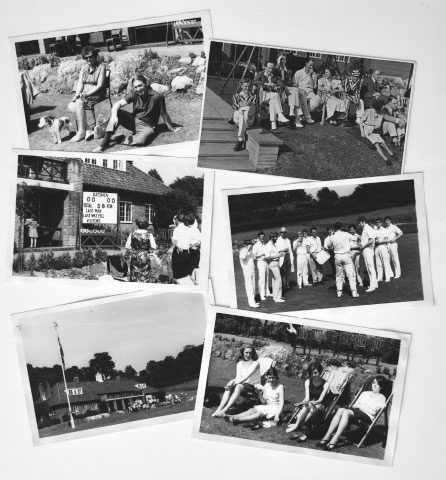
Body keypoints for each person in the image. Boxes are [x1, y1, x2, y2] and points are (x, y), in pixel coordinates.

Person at [94, 74, 181, 152]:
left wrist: (171, 127)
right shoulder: (134, 93)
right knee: (117, 112)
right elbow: (118, 103)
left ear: (146, 84)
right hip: (134, 121)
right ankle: (104, 143)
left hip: (148, 126)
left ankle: (118, 138)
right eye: (135, 87)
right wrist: (114, 116)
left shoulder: (157, 97)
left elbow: (164, 113)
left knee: (141, 141)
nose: (138, 89)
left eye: (140, 86)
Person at [316, 377, 388, 450]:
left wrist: (362, 406)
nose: (374, 385)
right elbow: (355, 405)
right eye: (373, 383)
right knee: (340, 410)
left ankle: (335, 439)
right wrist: (366, 407)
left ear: (381, 386)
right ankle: (326, 436)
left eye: (377, 384)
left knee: (346, 412)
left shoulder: (382, 398)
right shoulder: (364, 393)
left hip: (367, 416)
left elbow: (373, 412)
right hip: (357, 411)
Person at [68, 46, 107, 142]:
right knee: (70, 105)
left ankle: (81, 132)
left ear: (95, 56)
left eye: (90, 57)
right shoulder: (84, 68)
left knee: (78, 104)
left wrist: (87, 94)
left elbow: (100, 86)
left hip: (97, 93)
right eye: (86, 58)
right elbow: (80, 83)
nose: (88, 59)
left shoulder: (101, 67)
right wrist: (77, 95)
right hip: (85, 94)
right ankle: (88, 129)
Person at [212, 344, 261, 418]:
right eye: (246, 352)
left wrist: (234, 384)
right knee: (231, 383)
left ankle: (224, 411)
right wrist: (232, 382)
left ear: (253, 353)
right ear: (242, 352)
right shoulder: (240, 363)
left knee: (238, 386)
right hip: (244, 385)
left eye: (250, 353)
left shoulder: (255, 363)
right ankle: (218, 409)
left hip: (254, 388)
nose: (248, 355)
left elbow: (246, 377)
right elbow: (238, 377)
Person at [286, 363, 330, 441]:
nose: (313, 375)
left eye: (316, 372)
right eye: (311, 372)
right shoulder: (308, 382)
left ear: (320, 372)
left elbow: (321, 400)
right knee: (307, 406)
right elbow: (307, 397)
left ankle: (298, 425)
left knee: (312, 407)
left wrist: (313, 403)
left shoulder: (325, 384)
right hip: (310, 404)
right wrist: (306, 402)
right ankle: (297, 425)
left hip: (320, 405)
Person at [325, 222, 359, 298]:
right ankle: (354, 292)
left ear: (334, 228)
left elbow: (328, 246)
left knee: (339, 275)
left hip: (337, 256)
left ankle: (339, 292)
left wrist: (335, 246)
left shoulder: (332, 237)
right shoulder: (346, 234)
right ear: (341, 227)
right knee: (350, 274)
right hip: (346, 255)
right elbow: (356, 238)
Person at [360, 99, 398, 165]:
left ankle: (390, 152)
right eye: (383, 105)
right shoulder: (368, 111)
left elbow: (388, 115)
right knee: (376, 143)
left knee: (382, 141)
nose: (384, 106)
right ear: (379, 106)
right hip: (367, 129)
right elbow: (361, 122)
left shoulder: (381, 113)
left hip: (374, 130)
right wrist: (362, 132)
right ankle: (385, 158)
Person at [253, 62, 290, 130]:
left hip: (271, 96)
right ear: (265, 67)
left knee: (273, 102)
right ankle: (280, 115)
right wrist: (266, 84)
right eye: (269, 68)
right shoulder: (261, 74)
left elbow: (282, 84)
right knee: (275, 95)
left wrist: (277, 86)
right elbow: (254, 82)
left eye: (272, 68)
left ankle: (273, 123)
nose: (270, 70)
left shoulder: (274, 76)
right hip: (262, 94)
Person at [125, 218, 157, 283]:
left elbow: (126, 246)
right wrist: (147, 248)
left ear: (138, 225)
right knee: (145, 273)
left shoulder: (132, 234)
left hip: (135, 255)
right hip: (145, 255)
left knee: (135, 272)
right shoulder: (149, 234)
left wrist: (133, 248)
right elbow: (154, 246)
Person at [232, 80, 257, 151]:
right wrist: (244, 106)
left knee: (247, 110)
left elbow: (256, 108)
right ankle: (240, 140)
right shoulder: (236, 95)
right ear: (241, 86)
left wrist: (245, 105)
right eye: (245, 86)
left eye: (249, 86)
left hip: (249, 117)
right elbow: (235, 106)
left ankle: (240, 140)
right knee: (243, 111)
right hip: (238, 115)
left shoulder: (254, 96)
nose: (247, 88)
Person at [293, 59, 319, 124]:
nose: (311, 67)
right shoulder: (299, 72)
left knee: (317, 99)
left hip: (309, 92)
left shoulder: (314, 74)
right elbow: (294, 84)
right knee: (302, 97)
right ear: (306, 63)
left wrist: (310, 76)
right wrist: (298, 87)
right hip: (300, 90)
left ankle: (303, 114)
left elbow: (313, 86)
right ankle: (307, 117)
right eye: (310, 65)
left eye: (313, 66)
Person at [171, 213, 194, 284]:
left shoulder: (177, 229)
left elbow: (174, 241)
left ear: (177, 220)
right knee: (185, 272)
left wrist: (172, 247)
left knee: (178, 274)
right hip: (187, 252)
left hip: (178, 252)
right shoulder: (189, 229)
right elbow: (192, 241)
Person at [357, 217, 378, 292]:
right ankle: (374, 284)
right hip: (367, 249)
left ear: (363, 222)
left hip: (368, 250)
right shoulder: (365, 229)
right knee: (370, 267)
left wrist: (363, 247)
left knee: (370, 268)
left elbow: (371, 240)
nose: (358, 224)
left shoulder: (368, 228)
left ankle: (372, 286)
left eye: (359, 223)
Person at [239, 240, 260, 308]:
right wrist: (248, 249)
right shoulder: (243, 250)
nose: (251, 245)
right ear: (246, 245)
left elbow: (254, 258)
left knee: (253, 287)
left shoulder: (250, 251)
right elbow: (243, 257)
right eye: (249, 244)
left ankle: (253, 301)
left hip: (252, 270)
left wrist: (251, 250)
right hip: (246, 271)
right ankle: (251, 303)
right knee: (249, 287)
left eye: (250, 244)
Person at [265, 233, 285, 302]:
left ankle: (275, 296)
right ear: (271, 238)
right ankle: (277, 298)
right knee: (278, 280)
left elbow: (275, 253)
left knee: (274, 280)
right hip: (272, 263)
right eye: (275, 237)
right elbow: (267, 256)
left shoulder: (274, 245)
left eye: (276, 237)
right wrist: (278, 255)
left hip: (276, 263)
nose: (276, 239)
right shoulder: (268, 245)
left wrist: (280, 254)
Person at [252, 231, 271, 300]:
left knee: (267, 277)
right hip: (260, 262)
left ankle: (267, 292)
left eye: (263, 237)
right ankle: (262, 295)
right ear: (258, 237)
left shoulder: (264, 244)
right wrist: (261, 254)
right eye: (261, 237)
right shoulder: (256, 245)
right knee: (261, 279)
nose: (262, 238)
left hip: (265, 261)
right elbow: (253, 256)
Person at [374, 218, 393, 283]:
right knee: (378, 263)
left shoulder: (385, 230)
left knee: (385, 262)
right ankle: (380, 277)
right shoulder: (375, 230)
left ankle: (387, 277)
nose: (378, 223)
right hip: (376, 248)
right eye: (377, 222)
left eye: (379, 222)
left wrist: (377, 242)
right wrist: (375, 242)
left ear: (381, 223)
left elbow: (386, 240)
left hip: (383, 247)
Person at [275, 226, 295, 291]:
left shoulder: (288, 240)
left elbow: (290, 250)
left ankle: (287, 284)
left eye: (284, 232)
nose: (283, 233)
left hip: (287, 256)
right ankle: (283, 285)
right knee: (282, 271)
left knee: (287, 271)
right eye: (282, 232)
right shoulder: (278, 240)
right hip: (282, 257)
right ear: (280, 233)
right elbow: (277, 249)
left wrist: (291, 256)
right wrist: (284, 249)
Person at [188, 214, 201, 284]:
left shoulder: (194, 230)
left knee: (194, 268)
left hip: (194, 251)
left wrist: (191, 244)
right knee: (192, 269)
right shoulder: (192, 229)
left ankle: (196, 282)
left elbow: (198, 241)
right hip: (191, 251)